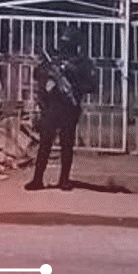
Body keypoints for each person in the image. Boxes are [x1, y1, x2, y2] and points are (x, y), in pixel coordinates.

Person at [25, 27, 98, 191]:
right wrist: (51, 73)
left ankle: (64, 180)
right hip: (51, 106)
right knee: (45, 144)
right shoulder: (54, 59)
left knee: (67, 144)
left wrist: (73, 78)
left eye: (68, 43)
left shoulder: (82, 63)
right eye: (63, 43)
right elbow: (37, 74)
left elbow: (91, 86)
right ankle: (38, 179)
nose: (65, 47)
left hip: (70, 108)